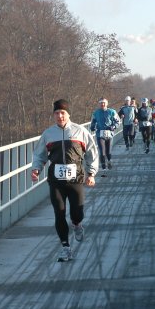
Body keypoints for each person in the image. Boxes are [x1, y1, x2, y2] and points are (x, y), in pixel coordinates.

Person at [31, 99, 99, 262]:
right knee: (59, 213)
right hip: (56, 180)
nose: (60, 116)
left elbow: (92, 152)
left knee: (77, 213)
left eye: (63, 113)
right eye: (56, 113)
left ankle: (77, 225)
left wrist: (91, 173)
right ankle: (65, 247)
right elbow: (39, 154)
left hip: (75, 179)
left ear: (68, 114)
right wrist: (36, 169)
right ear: (53, 115)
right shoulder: (48, 134)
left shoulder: (80, 131)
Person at [90, 98, 120, 176]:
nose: (102, 104)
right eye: (101, 103)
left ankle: (109, 160)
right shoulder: (96, 113)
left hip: (109, 134)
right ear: (99, 104)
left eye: (104, 103)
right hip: (100, 134)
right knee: (102, 152)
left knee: (108, 152)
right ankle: (104, 168)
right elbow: (93, 121)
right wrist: (92, 126)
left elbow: (118, 121)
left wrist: (113, 127)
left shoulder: (112, 111)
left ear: (106, 104)